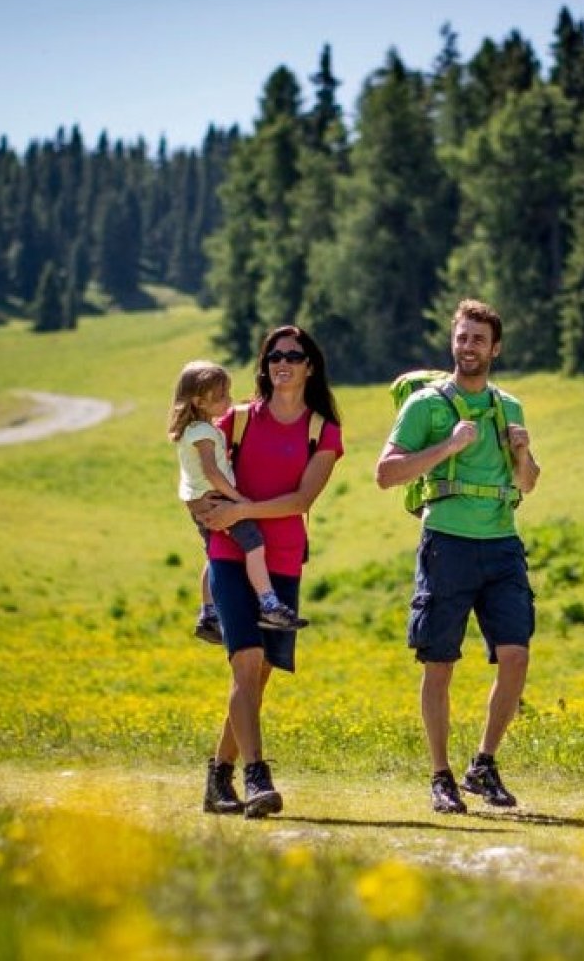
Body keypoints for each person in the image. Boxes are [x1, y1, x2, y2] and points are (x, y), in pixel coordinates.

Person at [375, 299, 541, 814]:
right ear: (454, 341)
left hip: (502, 545)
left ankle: (483, 765)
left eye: (478, 339)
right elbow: (386, 473)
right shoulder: (426, 405)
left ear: (496, 348)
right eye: (462, 337)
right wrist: (447, 447)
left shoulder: (508, 407)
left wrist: (522, 453)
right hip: (446, 542)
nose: (468, 347)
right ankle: (440, 775)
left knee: (516, 655)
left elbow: (527, 484)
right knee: (439, 663)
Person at [194, 326, 343, 818]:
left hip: (281, 560)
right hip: (230, 554)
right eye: (274, 355)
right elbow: (197, 477)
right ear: (265, 364)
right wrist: (213, 513)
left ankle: (218, 778)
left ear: (309, 366)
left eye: (294, 355)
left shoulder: (323, 430)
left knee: (258, 676)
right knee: (246, 660)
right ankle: (257, 776)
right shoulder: (235, 421)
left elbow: (303, 499)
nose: (283, 361)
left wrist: (241, 511)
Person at [168, 360, 309, 646]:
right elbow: (211, 471)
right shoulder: (205, 433)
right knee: (254, 545)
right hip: (219, 500)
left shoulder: (194, 430)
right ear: (198, 401)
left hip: (202, 501)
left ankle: (208, 612)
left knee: (213, 556)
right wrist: (237, 499)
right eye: (220, 397)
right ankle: (269, 604)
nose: (228, 401)